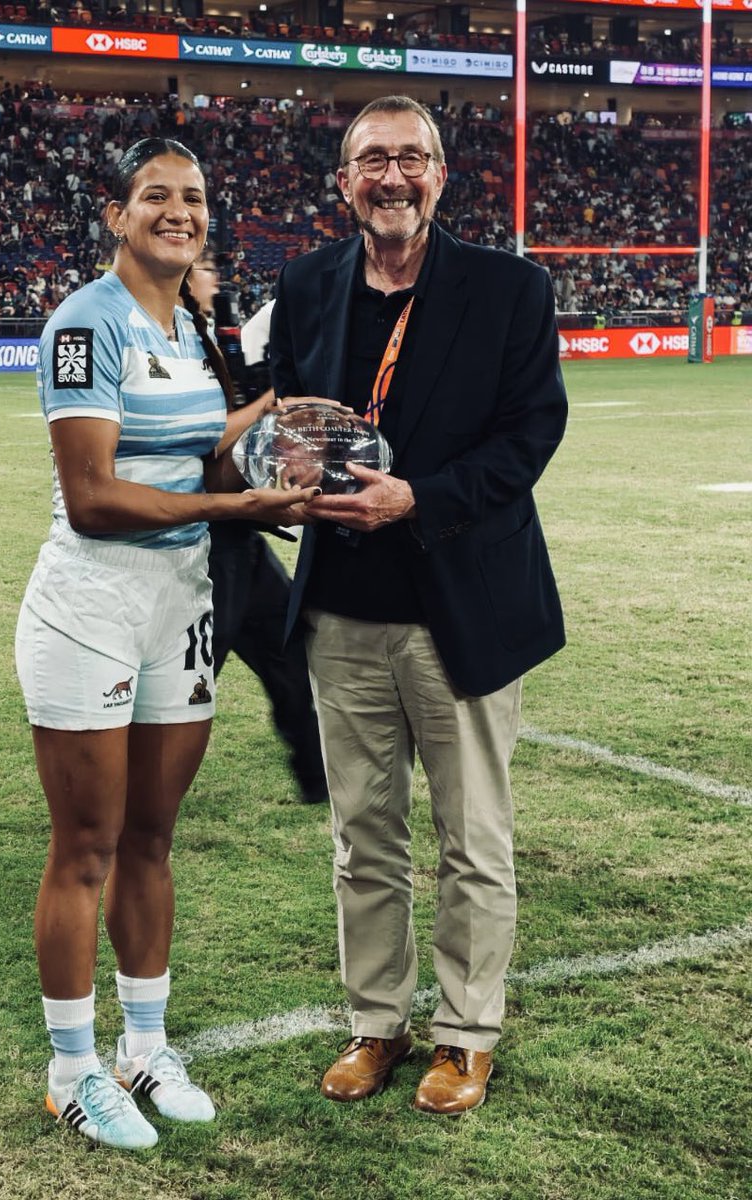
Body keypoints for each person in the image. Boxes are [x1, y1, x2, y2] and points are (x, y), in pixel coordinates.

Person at [15, 137, 319, 1152]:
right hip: (93, 605)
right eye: (156, 196)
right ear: (116, 213)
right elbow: (94, 499)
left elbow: (199, 442)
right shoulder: (82, 323)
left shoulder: (187, 322)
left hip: (181, 603)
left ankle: (144, 1047)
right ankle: (72, 1071)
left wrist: (283, 415)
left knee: (152, 840)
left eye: (192, 197)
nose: (178, 212)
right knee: (87, 848)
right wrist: (236, 499)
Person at [269, 96, 568, 1115]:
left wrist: (418, 498)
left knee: (473, 840)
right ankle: (377, 1025)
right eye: (371, 161)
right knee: (365, 837)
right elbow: (284, 411)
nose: (391, 177)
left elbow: (531, 437)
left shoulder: (510, 289)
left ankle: (467, 1035)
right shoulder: (308, 283)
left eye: (410, 158)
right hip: (344, 611)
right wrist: (288, 468)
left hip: (462, 606)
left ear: (440, 175)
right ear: (344, 180)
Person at [185, 251, 328, 806]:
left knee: (290, 650)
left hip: (238, 535)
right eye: (203, 270)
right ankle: (131, 789)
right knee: (193, 677)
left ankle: (318, 782)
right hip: (203, 542)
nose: (212, 278)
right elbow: (210, 440)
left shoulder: (218, 338)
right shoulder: (179, 348)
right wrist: (274, 400)